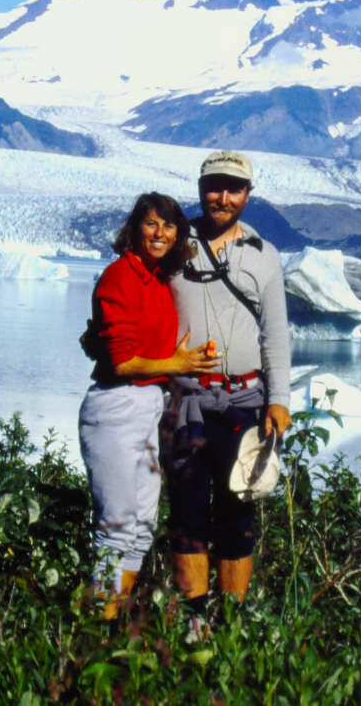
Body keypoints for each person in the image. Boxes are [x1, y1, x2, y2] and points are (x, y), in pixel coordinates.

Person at [78, 192, 220, 620]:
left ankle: (112, 619)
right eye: (151, 224)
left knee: (140, 528)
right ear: (135, 228)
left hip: (148, 406)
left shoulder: (157, 278)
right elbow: (122, 361)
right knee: (117, 525)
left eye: (169, 226)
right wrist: (175, 362)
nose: (160, 234)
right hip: (116, 407)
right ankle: (94, 629)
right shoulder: (119, 277)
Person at [166, 150, 292, 614]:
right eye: (214, 186)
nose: (222, 197)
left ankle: (233, 624)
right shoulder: (176, 243)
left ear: (247, 194)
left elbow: (276, 334)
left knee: (238, 511)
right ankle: (194, 622)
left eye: (233, 188)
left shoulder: (264, 257)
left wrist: (279, 400)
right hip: (189, 402)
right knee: (187, 514)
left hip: (246, 401)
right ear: (201, 189)